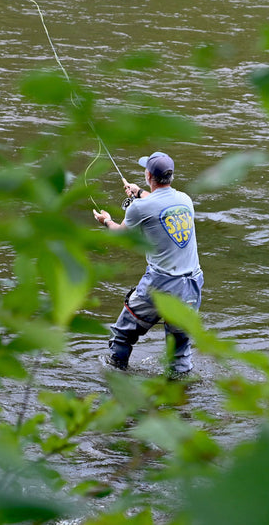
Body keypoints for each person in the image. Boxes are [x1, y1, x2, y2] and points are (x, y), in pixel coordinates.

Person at [92, 151, 204, 379]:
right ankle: (182, 398)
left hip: (160, 285)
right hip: (192, 284)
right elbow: (159, 204)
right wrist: (140, 192)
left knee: (122, 335)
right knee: (179, 352)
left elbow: (121, 234)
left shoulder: (138, 208)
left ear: (149, 175)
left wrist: (106, 221)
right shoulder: (185, 199)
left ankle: (116, 381)